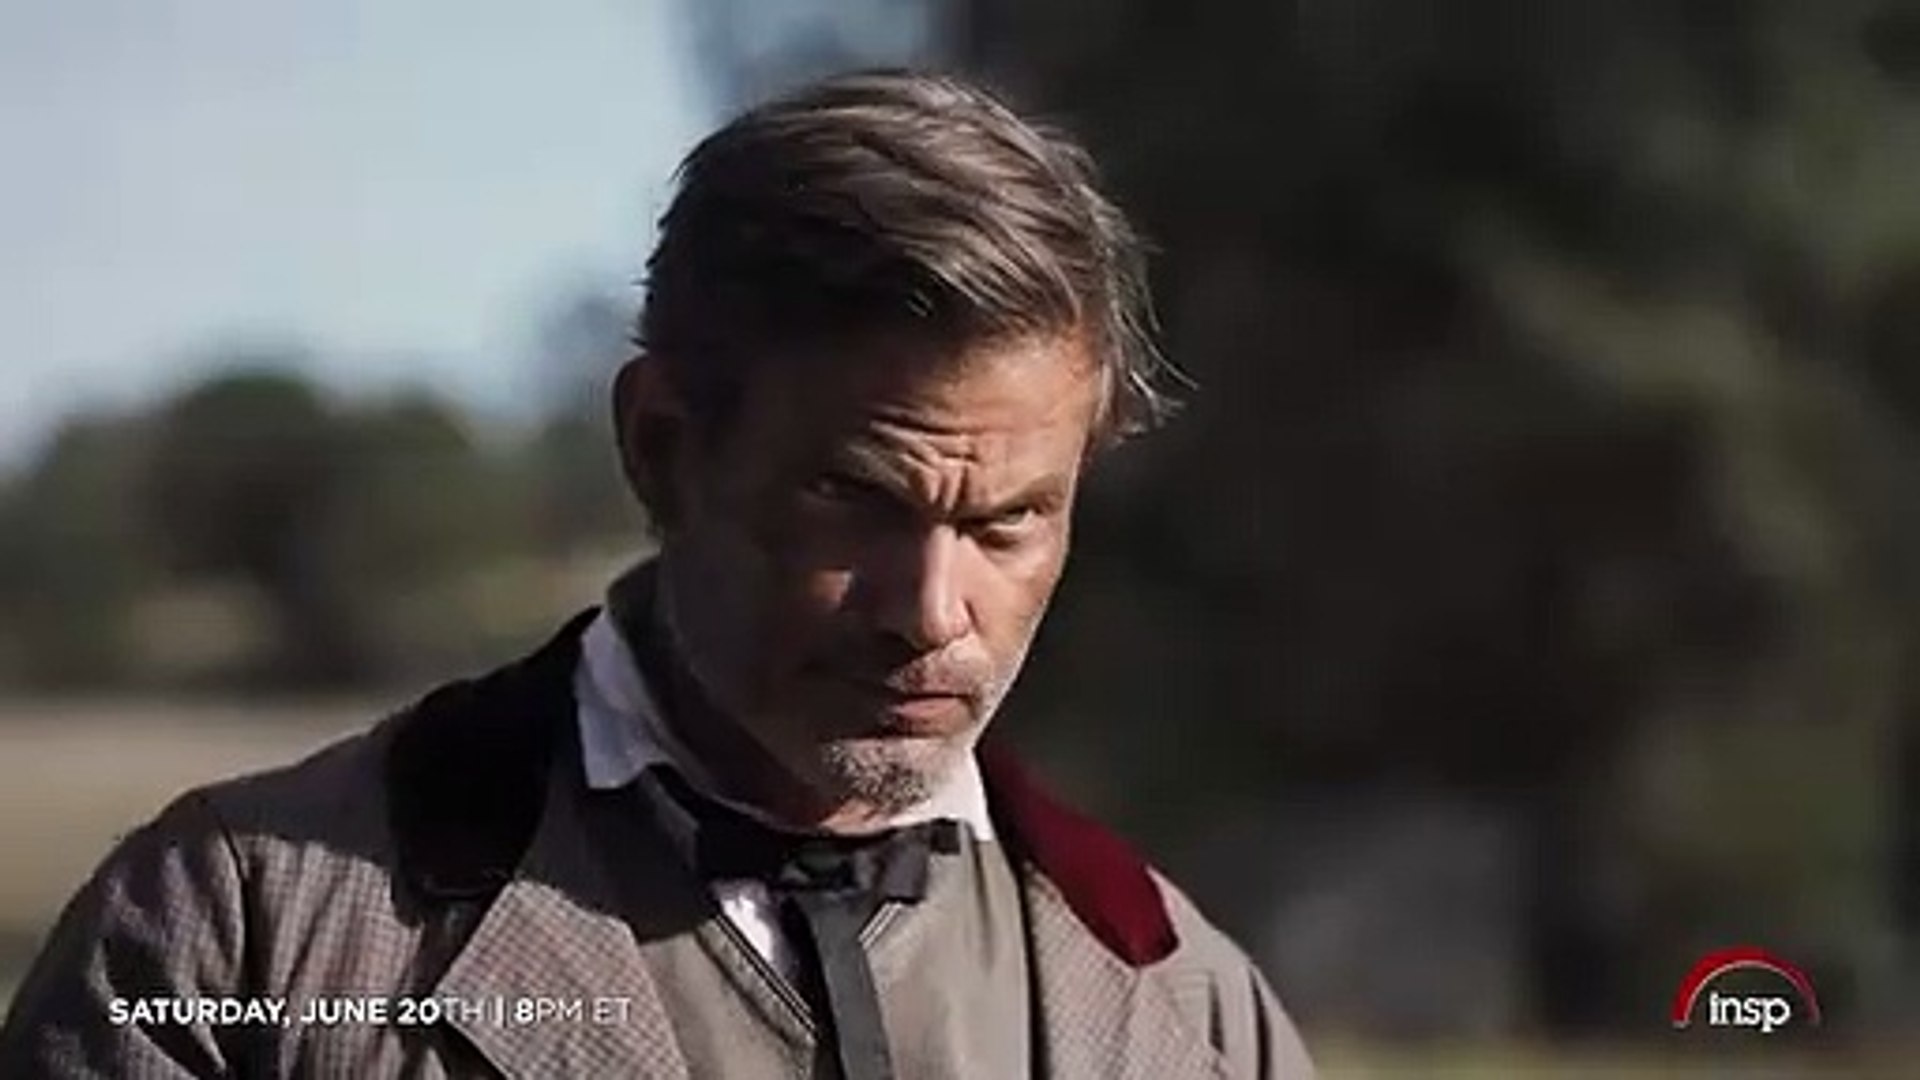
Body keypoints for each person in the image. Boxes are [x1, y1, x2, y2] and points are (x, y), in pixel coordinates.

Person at [0, 69, 1316, 1079]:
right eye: (854, 501)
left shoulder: (1183, 1008)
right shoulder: (239, 939)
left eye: (1008, 524)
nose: (930, 613)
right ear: (663, 447)